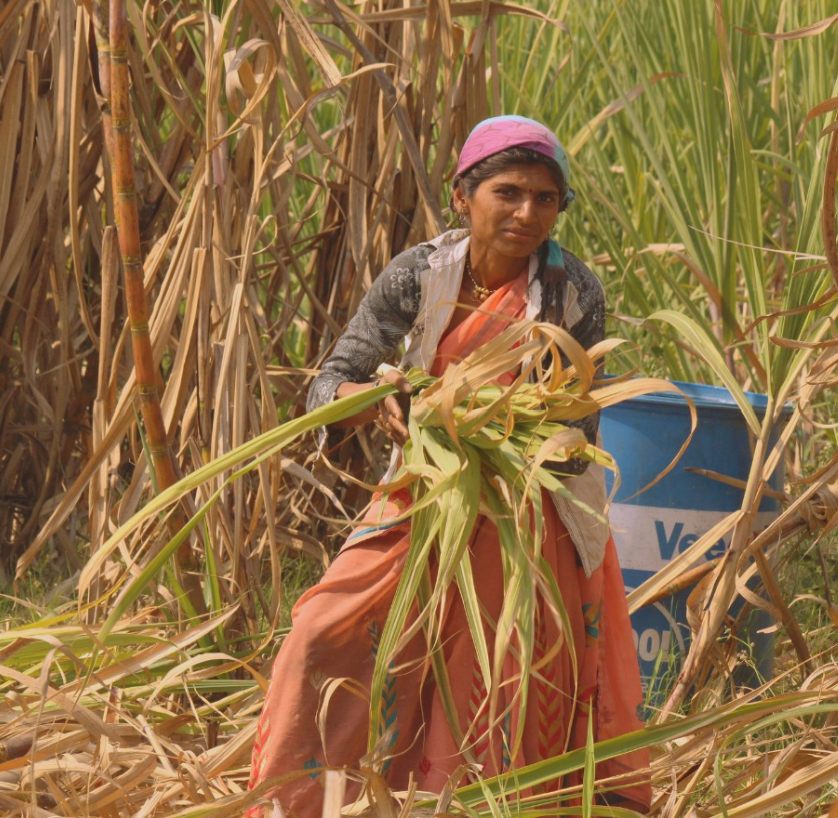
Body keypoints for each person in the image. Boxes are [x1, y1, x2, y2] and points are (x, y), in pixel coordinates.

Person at [248, 116, 650, 816]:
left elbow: (580, 423)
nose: (528, 213)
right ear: (463, 198)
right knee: (322, 632)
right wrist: (379, 397)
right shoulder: (418, 276)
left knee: (491, 676)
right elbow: (328, 383)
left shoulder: (571, 292)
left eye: (546, 199)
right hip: (422, 491)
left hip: (528, 512)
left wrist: (517, 433)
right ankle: (305, 801)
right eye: (509, 192)